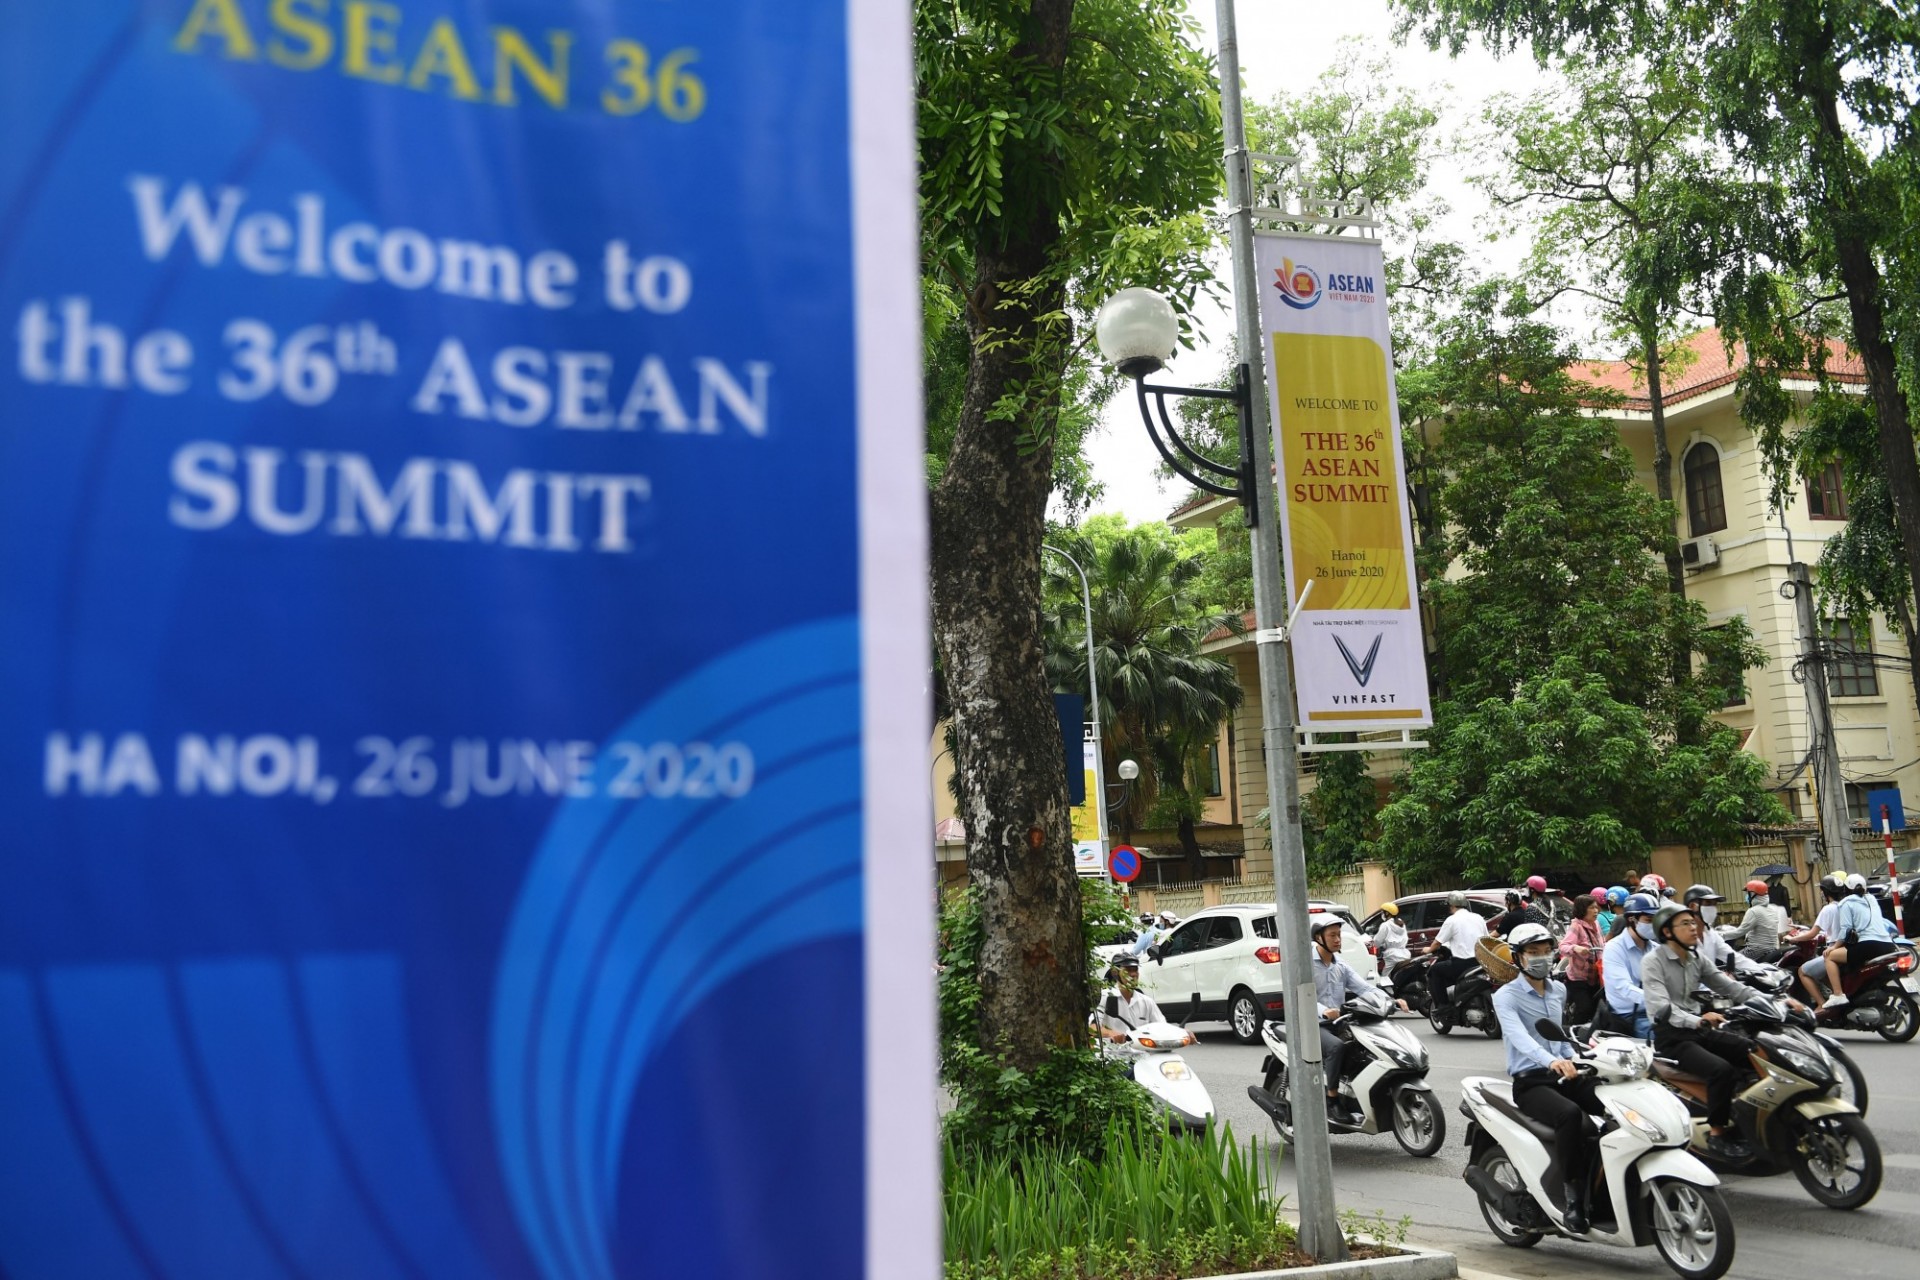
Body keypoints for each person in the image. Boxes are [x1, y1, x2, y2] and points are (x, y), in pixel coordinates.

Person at [1495, 922, 1606, 1233]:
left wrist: (1578, 1057)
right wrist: (1552, 1061)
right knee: (1570, 1115)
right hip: (1531, 1081)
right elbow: (1520, 1039)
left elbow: (1558, 1037)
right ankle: (1573, 1199)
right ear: (1518, 958)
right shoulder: (1506, 996)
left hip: (1564, 1071)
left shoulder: (1558, 989)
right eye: (1533, 952)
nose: (1542, 958)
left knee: (1613, 1103)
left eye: (1546, 952)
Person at [1642, 903, 1772, 1160]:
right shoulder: (1653, 962)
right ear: (1667, 932)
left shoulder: (1696, 957)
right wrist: (1697, 1019)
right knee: (1719, 1070)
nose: (1694, 928)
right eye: (1686, 924)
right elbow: (1660, 1006)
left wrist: (1770, 1001)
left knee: (1752, 1050)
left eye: (1694, 923)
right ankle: (1717, 1135)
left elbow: (1729, 987)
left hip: (1700, 1028)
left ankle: (1750, 1116)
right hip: (1673, 1037)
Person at [1309, 915, 1404, 1116]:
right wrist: (1324, 1011)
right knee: (1337, 1047)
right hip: (1313, 1024)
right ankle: (1332, 1098)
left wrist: (1391, 1000)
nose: (1337, 939)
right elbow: (1303, 996)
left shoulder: (1340, 966)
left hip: (1338, 1021)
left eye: (1339, 935)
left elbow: (1364, 988)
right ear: (1318, 937)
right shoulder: (1307, 965)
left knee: (1366, 1047)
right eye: (1332, 935)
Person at [1821, 872, 1898, 1007]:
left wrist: (1833, 947)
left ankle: (1838, 994)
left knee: (1830, 957)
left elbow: (1845, 929)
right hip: (1888, 944)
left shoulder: (1845, 903)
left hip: (1868, 945)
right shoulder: (1872, 899)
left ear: (1846, 889)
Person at [1600, 892, 1661, 1037]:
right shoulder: (1614, 948)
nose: (1654, 925)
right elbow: (1624, 988)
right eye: (1649, 919)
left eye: (1656, 920)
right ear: (1632, 919)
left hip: (1657, 1011)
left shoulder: (1655, 948)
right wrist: (1659, 1000)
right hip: (1631, 1017)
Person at [1680, 885, 1765, 979]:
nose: (1713, 908)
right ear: (1692, 906)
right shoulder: (1682, 939)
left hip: (1712, 989)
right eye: (1708, 903)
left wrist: (1763, 971)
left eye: (1714, 904)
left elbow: (1736, 959)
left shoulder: (1710, 935)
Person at [1792, 874, 1851, 1006]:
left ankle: (1820, 1004)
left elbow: (1811, 934)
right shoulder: (1845, 906)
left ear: (1825, 893)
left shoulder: (1828, 909)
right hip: (1847, 948)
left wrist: (1793, 939)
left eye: (1821, 891)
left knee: (1803, 971)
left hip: (1834, 950)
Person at [1426, 891, 1489, 1012]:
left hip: (1462, 964)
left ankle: (1443, 1005)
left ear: (1451, 905)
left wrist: (1427, 950)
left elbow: (1437, 943)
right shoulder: (1478, 918)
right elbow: (1486, 939)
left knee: (1434, 971)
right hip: (1481, 962)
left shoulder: (1452, 920)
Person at [1558, 895, 1605, 1023]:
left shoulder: (1596, 924)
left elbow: (1603, 943)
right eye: (1591, 907)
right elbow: (1563, 946)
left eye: (1596, 907)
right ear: (1582, 909)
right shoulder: (1576, 926)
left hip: (1596, 975)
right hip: (1579, 978)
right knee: (1585, 1008)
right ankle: (1575, 1035)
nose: (1596, 911)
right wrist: (1576, 948)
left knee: (1600, 1008)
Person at [1094, 958, 1166, 1041]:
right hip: (1114, 1051)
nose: (1133, 974)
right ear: (1115, 973)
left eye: (1135, 970)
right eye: (1128, 970)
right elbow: (1092, 1027)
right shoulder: (1105, 996)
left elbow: (1162, 1027)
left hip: (1143, 1051)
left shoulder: (1146, 1001)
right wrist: (1111, 1034)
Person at [1723, 879, 1789, 963]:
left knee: (1729, 961)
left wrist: (1721, 935)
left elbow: (1739, 932)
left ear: (1754, 894)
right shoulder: (1772, 909)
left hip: (1756, 951)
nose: (1747, 896)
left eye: (1748, 893)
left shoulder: (1753, 911)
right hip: (1772, 949)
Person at [1371, 903, 1410, 970]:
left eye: (1383, 912)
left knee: (1385, 977)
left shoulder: (1385, 925)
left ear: (1387, 913)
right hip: (1405, 954)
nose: (1382, 914)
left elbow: (1377, 942)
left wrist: (1374, 944)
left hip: (1392, 956)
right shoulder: (1401, 923)